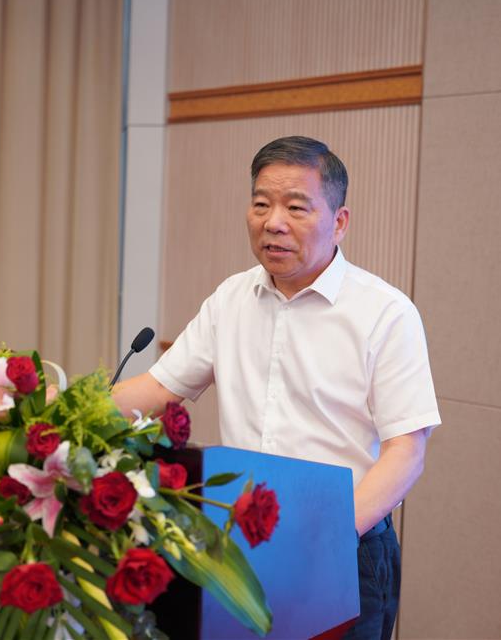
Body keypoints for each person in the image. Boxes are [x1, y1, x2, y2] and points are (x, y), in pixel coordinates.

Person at [112, 136, 441, 640]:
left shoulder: (386, 313)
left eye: (296, 207)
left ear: (340, 221)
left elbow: (407, 452)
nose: (273, 222)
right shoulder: (232, 298)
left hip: (342, 543)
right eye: (261, 204)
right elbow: (157, 389)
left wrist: (329, 538)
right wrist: (60, 410)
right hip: (240, 538)